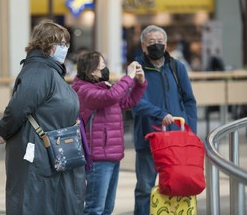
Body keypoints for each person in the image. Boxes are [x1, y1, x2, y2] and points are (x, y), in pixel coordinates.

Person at [0, 19, 85, 214]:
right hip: (38, 151)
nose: (65, 48)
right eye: (61, 43)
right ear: (45, 44)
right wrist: (3, 130)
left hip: (51, 152)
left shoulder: (50, 71)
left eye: (67, 44)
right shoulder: (38, 71)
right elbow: (18, 107)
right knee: (35, 201)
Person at [131, 25, 197, 215]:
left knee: (176, 186)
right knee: (145, 188)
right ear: (143, 46)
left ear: (166, 44)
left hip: (176, 141)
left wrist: (190, 131)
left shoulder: (177, 67)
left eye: (160, 42)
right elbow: (134, 103)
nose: (157, 45)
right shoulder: (137, 69)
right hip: (148, 139)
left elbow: (189, 101)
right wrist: (161, 114)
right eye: (152, 42)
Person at [71, 51, 147, 215]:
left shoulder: (103, 86)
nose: (106, 70)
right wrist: (128, 77)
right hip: (98, 156)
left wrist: (139, 84)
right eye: (103, 66)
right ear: (92, 71)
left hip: (111, 154)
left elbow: (126, 101)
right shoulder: (83, 90)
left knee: (107, 208)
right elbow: (112, 96)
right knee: (94, 209)